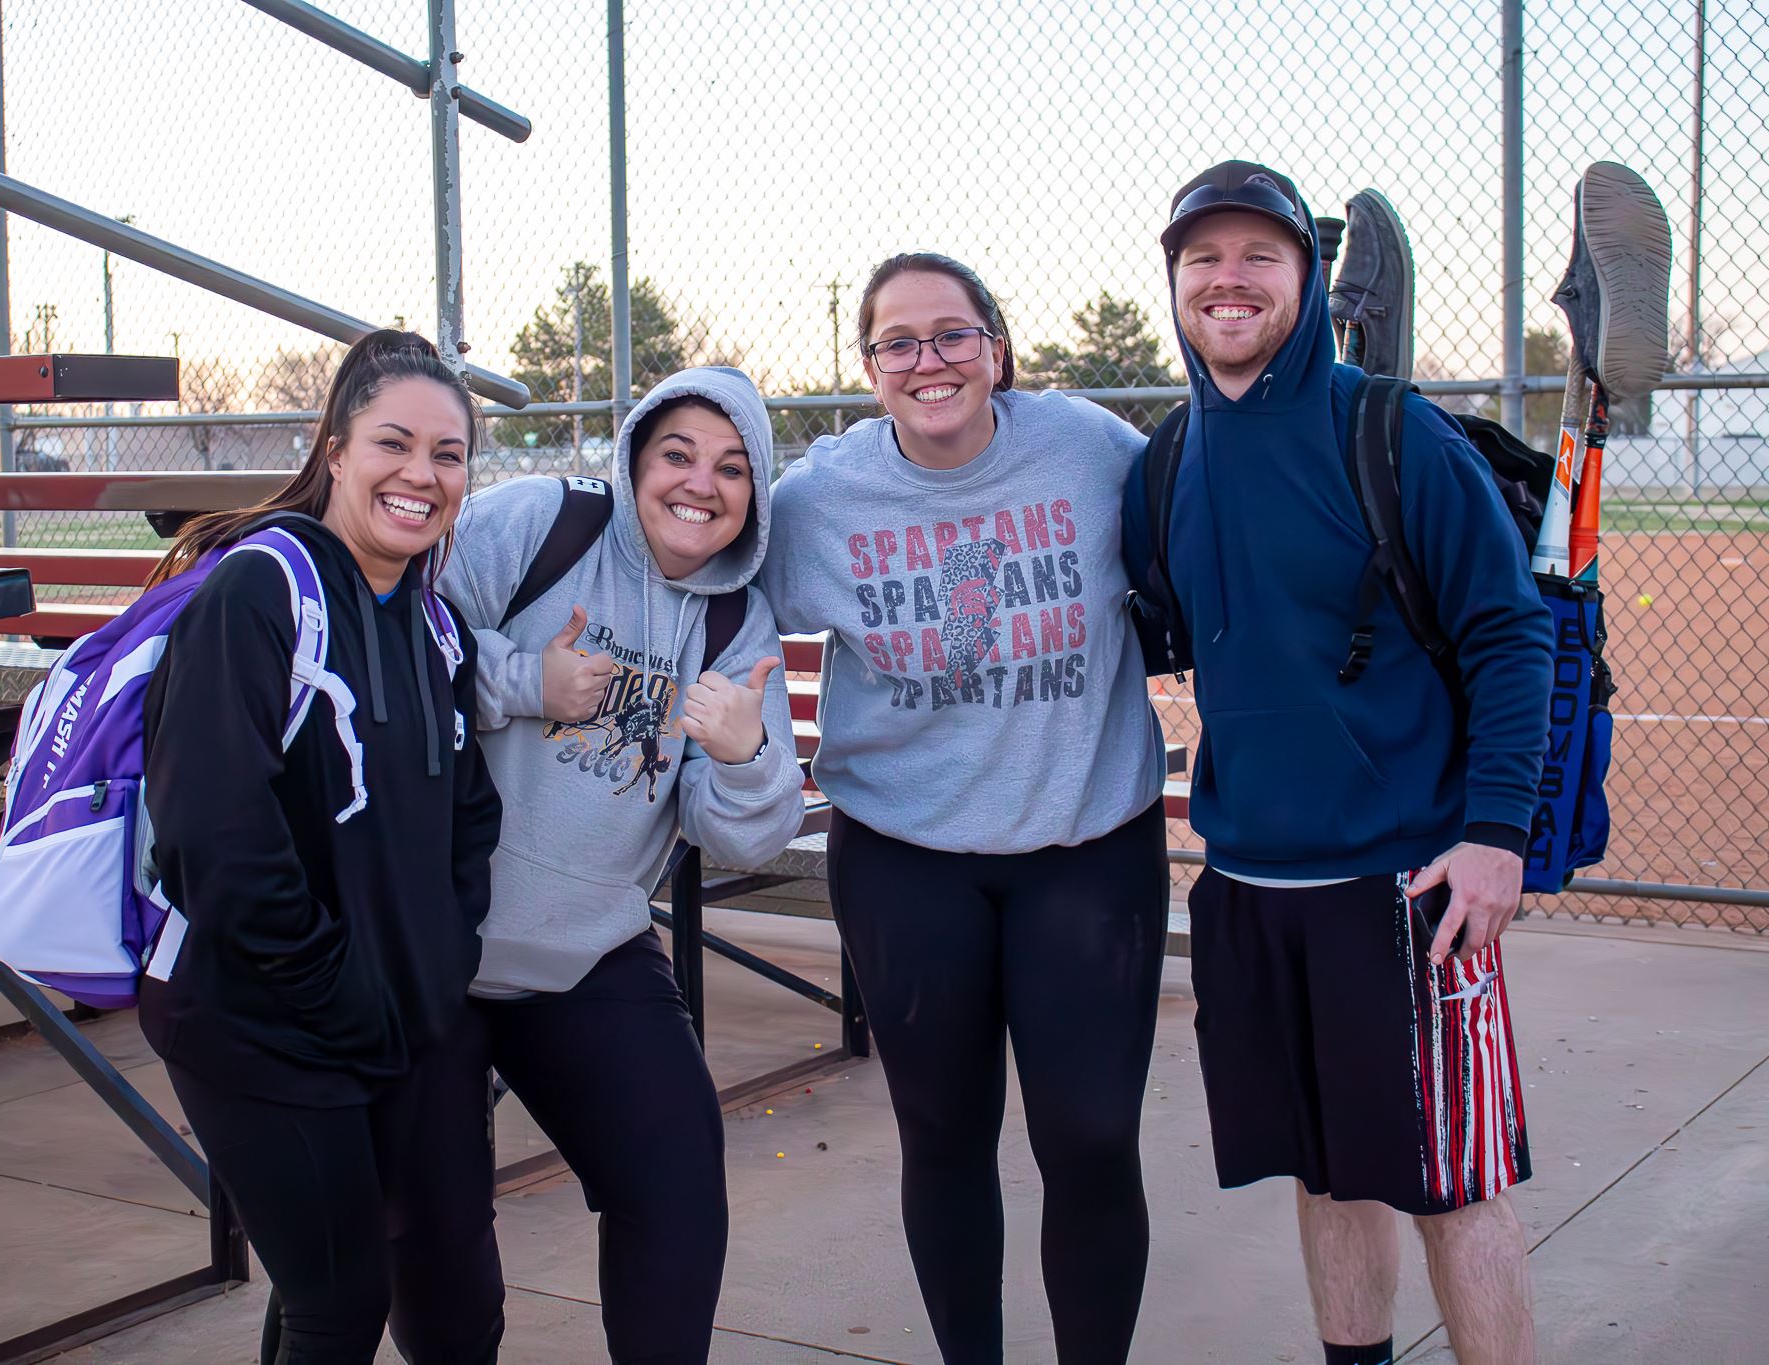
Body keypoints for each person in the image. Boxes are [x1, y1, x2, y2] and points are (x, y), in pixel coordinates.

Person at [1123, 161, 1552, 1365]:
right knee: (1322, 1172)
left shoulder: (1389, 430)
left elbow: (1508, 633)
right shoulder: (1166, 461)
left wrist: (1494, 834)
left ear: (1305, 278)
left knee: (1452, 1187)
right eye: (1200, 257)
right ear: (1173, 282)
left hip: (1406, 891)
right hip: (1251, 886)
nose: (1226, 278)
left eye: (1257, 253)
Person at [757, 253, 1170, 1364]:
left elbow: (1206, 537)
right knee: (942, 1136)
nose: (927, 360)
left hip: (1085, 842)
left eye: (951, 334)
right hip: (906, 851)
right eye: (899, 341)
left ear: (994, 346)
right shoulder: (818, 504)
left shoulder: (1088, 449)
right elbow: (705, 589)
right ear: (868, 367)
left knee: (1088, 1137)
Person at [388, 366, 806, 1363]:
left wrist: (742, 755)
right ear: (633, 459)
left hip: (581, 954)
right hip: (425, 951)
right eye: (677, 454)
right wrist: (530, 679)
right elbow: (391, 654)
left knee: (675, 1180)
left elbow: (746, 836)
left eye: (732, 469)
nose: (699, 483)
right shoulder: (540, 528)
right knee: (436, 1258)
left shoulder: (730, 623)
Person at [137, 330, 502, 1365]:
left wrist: (441, 956)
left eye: (447, 454)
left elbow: (469, 813)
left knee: (385, 1293)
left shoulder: (432, 622)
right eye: (394, 443)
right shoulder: (259, 591)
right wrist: (333, 988)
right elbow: (215, 835)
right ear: (334, 449)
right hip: (257, 1020)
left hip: (395, 1018)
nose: (420, 475)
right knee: (338, 1299)